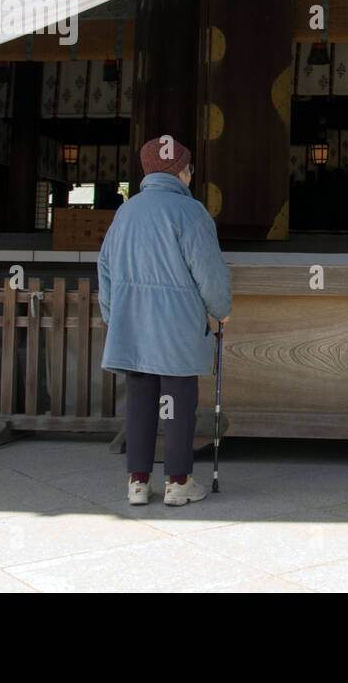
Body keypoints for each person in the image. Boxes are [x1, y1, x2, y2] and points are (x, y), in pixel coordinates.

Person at [98, 136, 232, 507]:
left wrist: (113, 315)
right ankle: (178, 481)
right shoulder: (191, 213)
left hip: (133, 325)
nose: (191, 176)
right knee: (177, 401)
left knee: (140, 402)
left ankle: (138, 482)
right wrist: (221, 309)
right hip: (176, 328)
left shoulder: (126, 212)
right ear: (181, 173)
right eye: (189, 170)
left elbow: (105, 268)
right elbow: (209, 272)